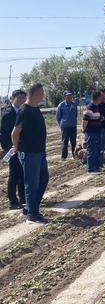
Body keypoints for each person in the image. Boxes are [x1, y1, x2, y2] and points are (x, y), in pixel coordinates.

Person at [11, 83, 48, 223]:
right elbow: (15, 133)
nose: (43, 96)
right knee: (31, 183)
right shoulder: (24, 110)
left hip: (40, 151)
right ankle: (32, 215)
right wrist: (16, 148)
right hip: (29, 152)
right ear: (35, 94)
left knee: (43, 179)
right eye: (42, 93)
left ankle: (30, 207)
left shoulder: (35, 109)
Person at [0, 89, 26, 210]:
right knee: (13, 174)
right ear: (13, 98)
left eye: (23, 98)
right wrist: (8, 148)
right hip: (12, 149)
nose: (22, 100)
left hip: (23, 148)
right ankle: (12, 201)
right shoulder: (7, 114)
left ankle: (23, 197)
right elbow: (4, 134)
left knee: (22, 173)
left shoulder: (23, 111)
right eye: (19, 98)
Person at [82, 91, 104, 173]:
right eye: (101, 97)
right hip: (91, 132)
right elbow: (85, 120)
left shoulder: (96, 107)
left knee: (97, 149)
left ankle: (97, 167)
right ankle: (90, 169)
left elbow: (95, 118)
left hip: (97, 131)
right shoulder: (89, 107)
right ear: (97, 98)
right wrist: (83, 130)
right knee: (91, 150)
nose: (102, 98)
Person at [55, 90, 78, 160]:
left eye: (70, 95)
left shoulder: (74, 104)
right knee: (65, 142)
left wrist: (74, 120)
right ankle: (63, 157)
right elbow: (58, 116)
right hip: (64, 126)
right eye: (68, 96)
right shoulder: (61, 105)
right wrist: (61, 124)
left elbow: (76, 114)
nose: (69, 97)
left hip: (73, 126)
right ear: (65, 97)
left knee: (73, 141)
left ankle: (74, 155)